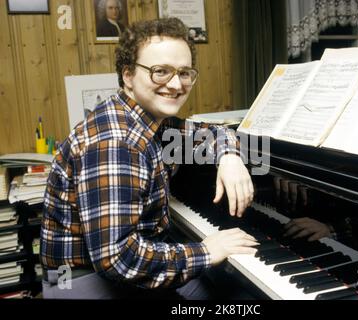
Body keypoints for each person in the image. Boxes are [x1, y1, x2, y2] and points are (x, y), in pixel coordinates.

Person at [40, 17, 258, 299]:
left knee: (228, 291)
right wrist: (205, 251)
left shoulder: (152, 121)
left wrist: (229, 156)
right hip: (80, 279)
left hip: (123, 260)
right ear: (128, 75)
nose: (176, 84)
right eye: (160, 71)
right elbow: (118, 260)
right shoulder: (117, 143)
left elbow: (210, 132)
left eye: (184, 72)